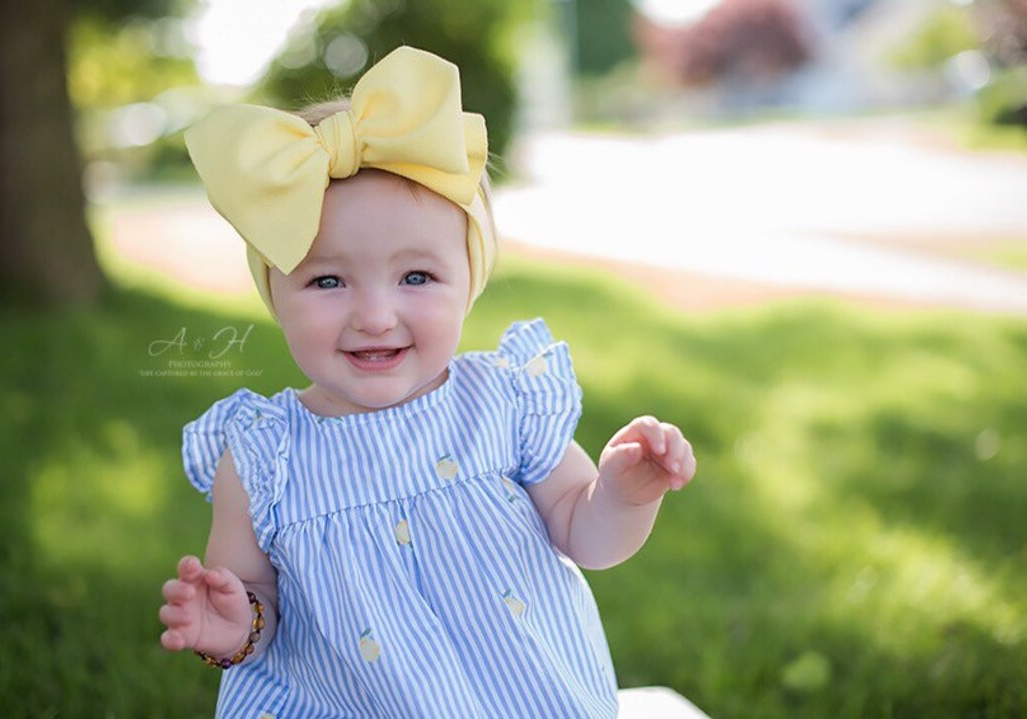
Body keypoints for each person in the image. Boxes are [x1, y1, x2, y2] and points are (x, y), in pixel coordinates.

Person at [158, 46, 698, 718]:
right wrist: (236, 625)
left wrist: (622, 495)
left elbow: (585, 532)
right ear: (276, 295)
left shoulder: (500, 403)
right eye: (327, 281)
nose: (374, 315)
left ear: (469, 281)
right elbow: (254, 597)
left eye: (416, 276)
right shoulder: (262, 458)